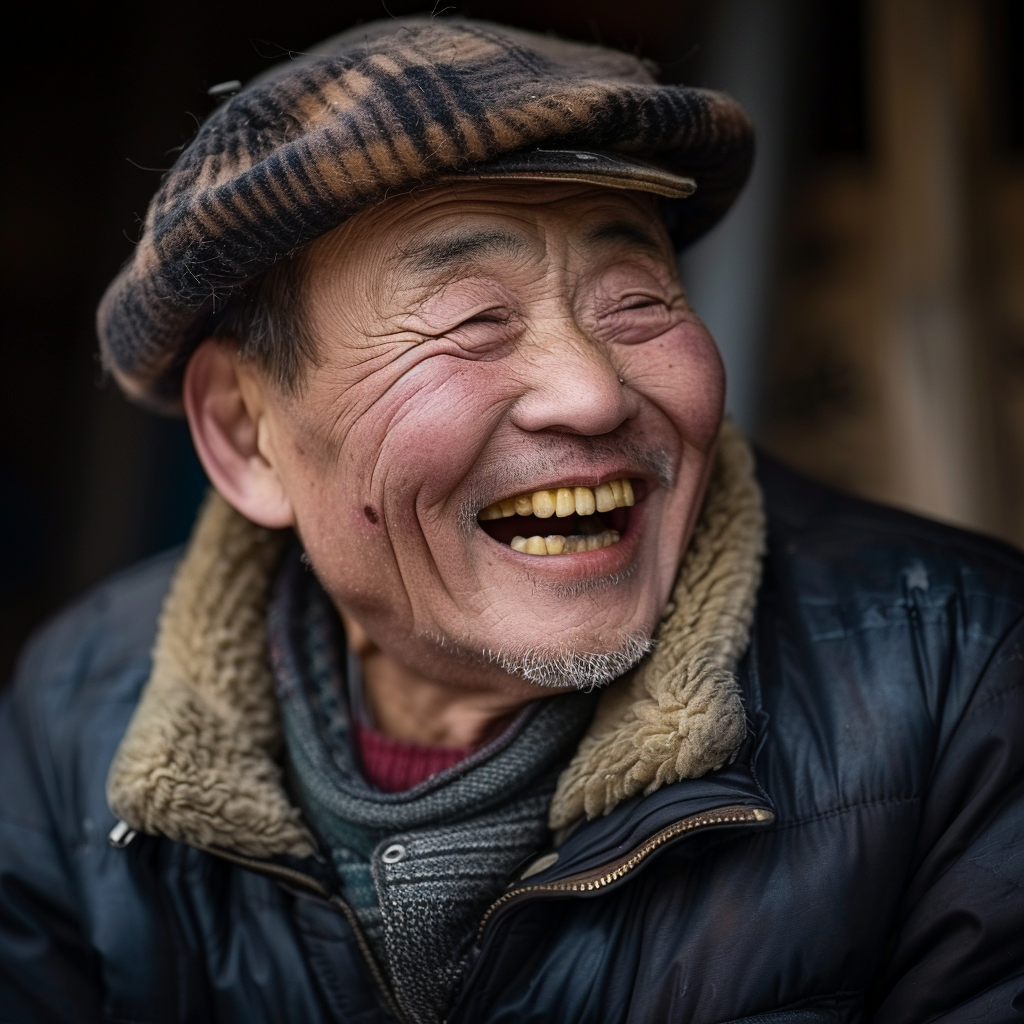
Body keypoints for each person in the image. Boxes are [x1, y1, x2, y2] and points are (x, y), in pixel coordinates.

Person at [2, 16, 1023, 1024]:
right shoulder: (78, 709)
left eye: (634, 300)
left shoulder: (966, 677)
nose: (589, 393)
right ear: (245, 431)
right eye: (471, 322)